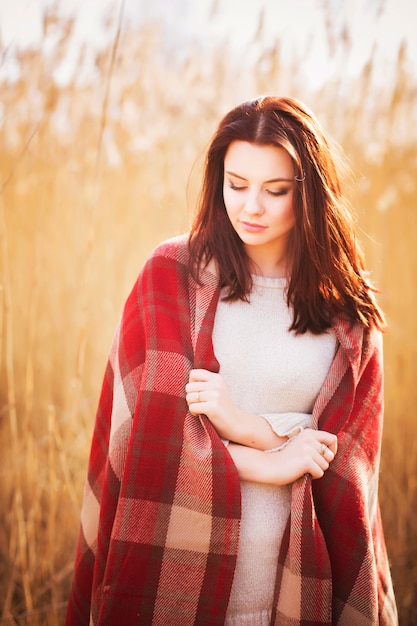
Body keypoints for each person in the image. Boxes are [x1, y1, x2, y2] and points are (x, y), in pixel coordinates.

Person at [66, 96, 398, 625]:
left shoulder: (348, 309)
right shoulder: (172, 276)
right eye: (236, 184)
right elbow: (155, 443)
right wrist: (274, 458)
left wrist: (247, 427)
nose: (251, 207)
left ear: (310, 195)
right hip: (181, 576)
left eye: (276, 190)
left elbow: (345, 461)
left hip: (296, 587)